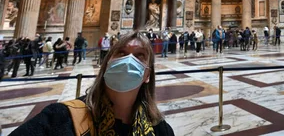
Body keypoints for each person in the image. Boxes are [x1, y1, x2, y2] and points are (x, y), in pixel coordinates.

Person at [11, 31, 175, 136]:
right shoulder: (59, 119)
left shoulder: (161, 130)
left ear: (148, 74)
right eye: (122, 53)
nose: (128, 60)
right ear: (106, 64)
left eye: (139, 55)